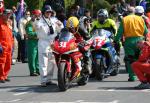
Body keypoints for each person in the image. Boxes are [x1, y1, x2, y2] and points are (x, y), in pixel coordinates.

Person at [114, 6, 148, 81]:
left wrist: (115, 40)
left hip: (129, 42)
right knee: (142, 59)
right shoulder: (141, 19)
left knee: (130, 59)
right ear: (134, 12)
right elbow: (146, 32)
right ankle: (143, 76)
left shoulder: (124, 19)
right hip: (140, 40)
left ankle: (132, 76)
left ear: (127, 12)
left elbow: (120, 32)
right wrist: (147, 40)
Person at [34, 5, 63, 87]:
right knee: (43, 62)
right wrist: (36, 20)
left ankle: (49, 80)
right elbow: (35, 27)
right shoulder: (39, 20)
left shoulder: (54, 20)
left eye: (50, 12)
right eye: (47, 12)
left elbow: (60, 29)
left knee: (52, 62)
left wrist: (60, 25)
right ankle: (43, 81)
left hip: (52, 43)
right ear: (44, 12)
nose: (49, 13)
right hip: (43, 42)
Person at [25, 10, 41, 76]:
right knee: (32, 57)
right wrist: (38, 33)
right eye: (37, 15)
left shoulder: (38, 22)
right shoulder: (29, 23)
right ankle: (32, 71)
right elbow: (30, 33)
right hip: (32, 41)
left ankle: (37, 70)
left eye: (39, 15)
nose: (38, 16)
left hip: (38, 41)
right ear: (33, 15)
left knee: (37, 56)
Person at [0, 9, 13, 83]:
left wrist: (12, 44)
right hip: (2, 46)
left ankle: (5, 75)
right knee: (2, 62)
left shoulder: (9, 23)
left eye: (9, 14)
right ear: (3, 14)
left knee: (8, 62)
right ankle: (1, 76)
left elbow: (11, 35)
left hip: (9, 46)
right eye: (7, 14)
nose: (9, 16)